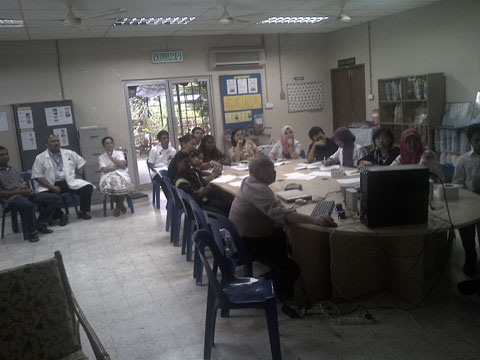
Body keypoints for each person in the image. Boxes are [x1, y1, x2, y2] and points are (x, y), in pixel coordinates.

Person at [228, 156, 336, 314]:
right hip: (246, 243)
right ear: (257, 172)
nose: (274, 171)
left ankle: (283, 283)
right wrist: (314, 219)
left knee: (280, 235)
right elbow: (284, 214)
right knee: (292, 269)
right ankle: (256, 287)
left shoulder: (248, 181)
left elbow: (274, 213)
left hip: (240, 237)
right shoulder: (259, 189)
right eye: (270, 169)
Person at [0, 146, 59, 242]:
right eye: (1, 155)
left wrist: (28, 189)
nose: (5, 157)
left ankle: (41, 223)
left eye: (6, 154)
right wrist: (20, 192)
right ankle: (32, 232)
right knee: (28, 205)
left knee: (54, 198)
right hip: (11, 198)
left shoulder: (12, 169)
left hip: (24, 194)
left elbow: (22, 182)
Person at [32, 134, 94, 221]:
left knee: (87, 188)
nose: (56, 143)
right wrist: (52, 187)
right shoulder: (40, 158)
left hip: (68, 181)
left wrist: (79, 175)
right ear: (47, 144)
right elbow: (37, 176)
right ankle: (60, 216)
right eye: (53, 141)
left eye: (57, 141)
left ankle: (83, 212)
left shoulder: (68, 153)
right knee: (41, 197)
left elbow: (81, 162)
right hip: (51, 184)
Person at [452, 123, 480, 276]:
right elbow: (457, 182)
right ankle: (470, 257)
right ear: (470, 141)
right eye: (477, 140)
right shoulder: (463, 160)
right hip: (469, 201)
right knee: (466, 233)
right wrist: (469, 193)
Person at [172, 151, 231, 216]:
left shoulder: (192, 172)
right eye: (185, 162)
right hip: (197, 208)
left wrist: (214, 176)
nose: (189, 164)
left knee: (227, 204)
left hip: (203, 200)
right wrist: (205, 190)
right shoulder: (180, 181)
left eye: (190, 161)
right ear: (177, 163)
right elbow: (196, 196)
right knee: (225, 211)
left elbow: (203, 182)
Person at [98, 137, 134, 217]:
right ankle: (121, 205)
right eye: (107, 143)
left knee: (123, 185)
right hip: (107, 175)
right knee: (108, 186)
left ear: (113, 144)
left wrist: (112, 159)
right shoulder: (101, 157)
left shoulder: (119, 153)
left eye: (110, 142)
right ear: (104, 146)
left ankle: (118, 207)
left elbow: (122, 165)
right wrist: (117, 167)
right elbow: (104, 170)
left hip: (120, 174)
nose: (109, 145)